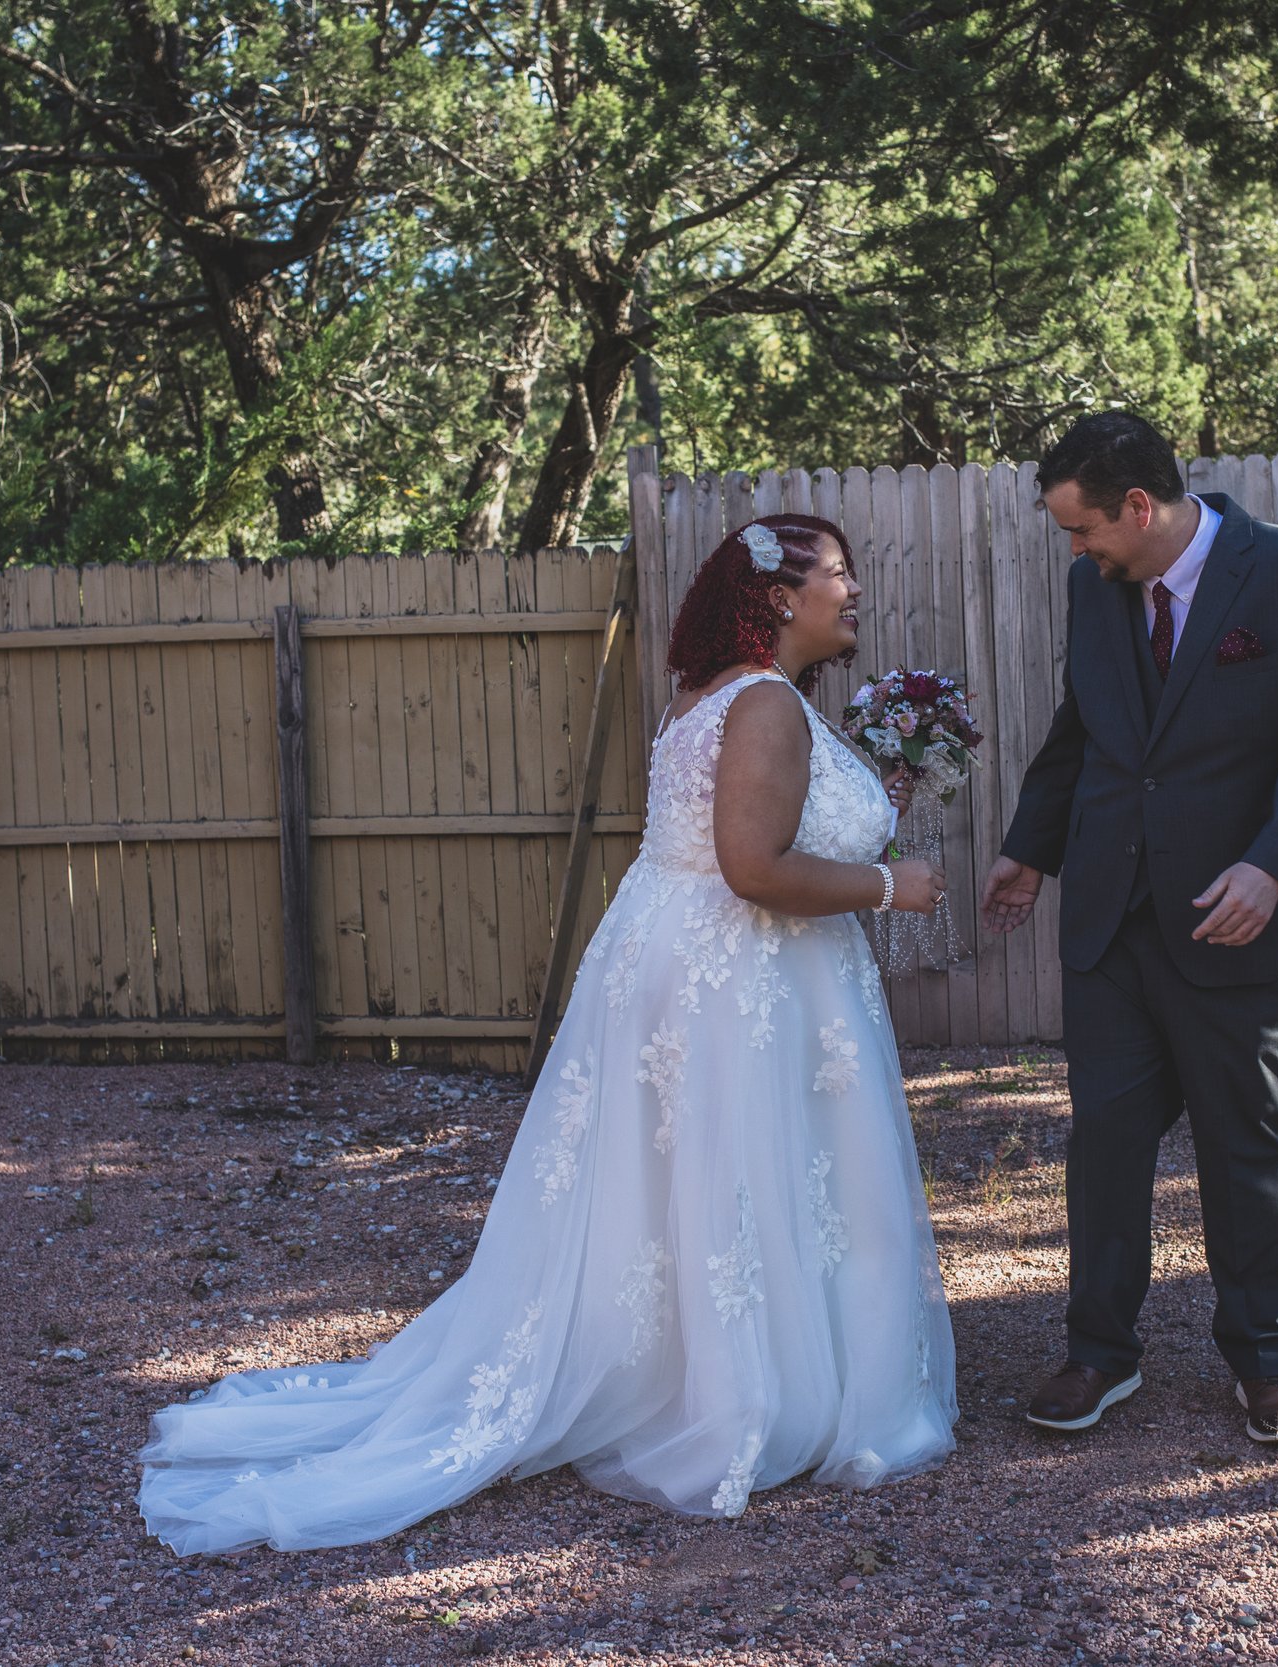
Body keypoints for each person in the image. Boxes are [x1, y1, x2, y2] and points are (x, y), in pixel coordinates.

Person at [137, 514, 959, 1551]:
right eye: (841, 574)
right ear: (782, 598)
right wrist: (894, 884)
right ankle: (743, 1393)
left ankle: (685, 1369)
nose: (855, 591)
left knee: (695, 1183)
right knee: (742, 1176)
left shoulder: (711, 698)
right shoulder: (761, 706)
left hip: (684, 959)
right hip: (738, 969)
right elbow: (754, 867)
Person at [979, 413, 1278, 1446]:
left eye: (1082, 529)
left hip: (1245, 921)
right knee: (1104, 1141)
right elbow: (1087, 727)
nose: (1074, 551)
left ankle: (1265, 1359)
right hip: (1113, 917)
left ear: (1139, 508)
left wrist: (1270, 863)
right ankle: (1099, 1352)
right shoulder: (1095, 587)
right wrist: (1032, 846)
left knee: (1244, 1144)